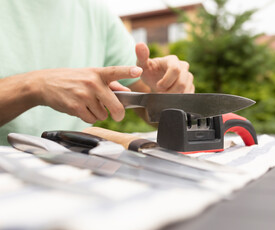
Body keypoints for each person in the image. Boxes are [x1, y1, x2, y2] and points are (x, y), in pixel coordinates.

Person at [0, 0, 195, 145]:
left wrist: (166, 95)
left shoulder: (94, 11)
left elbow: (148, 107)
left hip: (72, 172)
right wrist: (34, 85)